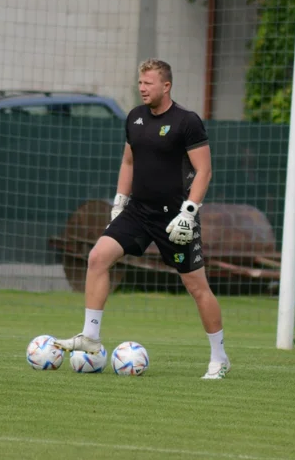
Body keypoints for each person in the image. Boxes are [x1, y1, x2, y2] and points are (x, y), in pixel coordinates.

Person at [54, 59, 230, 379]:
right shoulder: (134, 117)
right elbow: (128, 161)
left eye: (148, 83)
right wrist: (119, 202)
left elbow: (204, 170)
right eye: (140, 83)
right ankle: (90, 337)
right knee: (97, 257)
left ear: (166, 86)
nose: (142, 88)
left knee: (197, 287)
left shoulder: (187, 122)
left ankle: (219, 357)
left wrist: (189, 211)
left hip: (176, 217)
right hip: (137, 211)